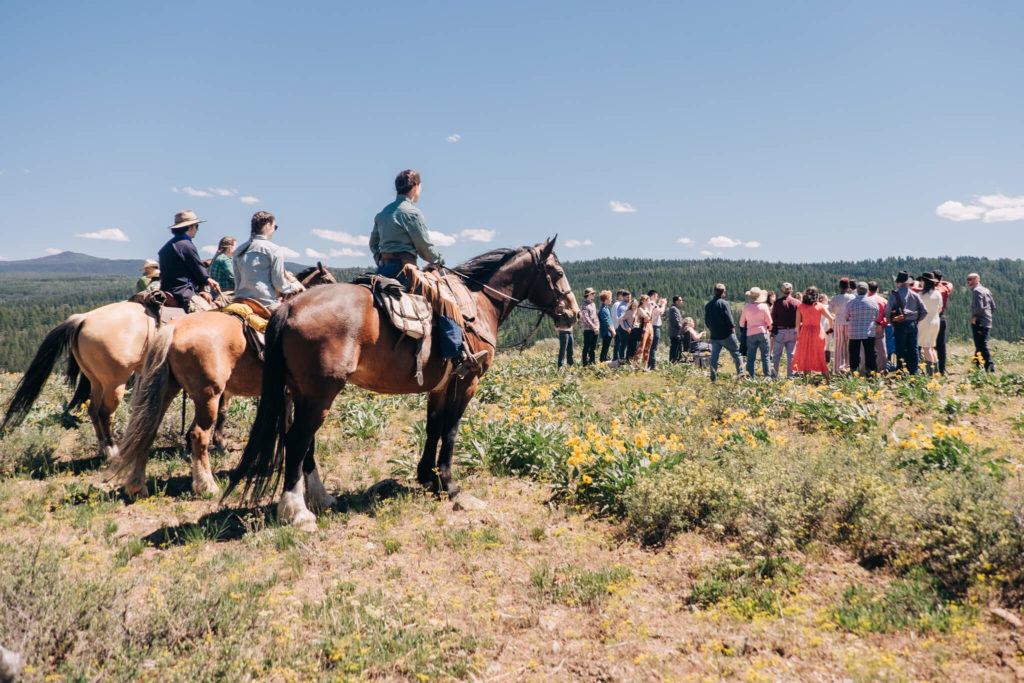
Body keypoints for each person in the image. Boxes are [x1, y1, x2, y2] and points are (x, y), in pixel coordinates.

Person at [370, 169, 488, 378]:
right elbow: (424, 247)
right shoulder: (412, 213)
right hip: (405, 271)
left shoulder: (382, 214)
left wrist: (381, 257)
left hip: (382, 270)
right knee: (446, 301)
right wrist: (438, 261)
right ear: (415, 186)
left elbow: (373, 244)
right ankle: (457, 355)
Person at [233, 211, 305, 310]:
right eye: (275, 227)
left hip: (240, 301)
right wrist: (294, 287)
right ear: (268, 225)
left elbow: (237, 282)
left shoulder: (239, 250)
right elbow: (279, 284)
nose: (274, 230)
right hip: (265, 302)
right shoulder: (274, 249)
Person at [158, 210, 220, 311]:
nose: (197, 230)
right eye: (197, 226)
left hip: (166, 289)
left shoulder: (167, 246)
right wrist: (207, 279)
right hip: (182, 291)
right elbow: (197, 267)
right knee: (208, 313)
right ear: (190, 227)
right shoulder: (186, 244)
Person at [887, 271, 927, 375]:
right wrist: (916, 319)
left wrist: (891, 322)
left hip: (900, 324)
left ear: (898, 282)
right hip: (912, 324)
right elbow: (924, 311)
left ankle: (901, 372)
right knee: (913, 348)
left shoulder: (894, 295)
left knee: (900, 348)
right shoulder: (915, 294)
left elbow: (887, 311)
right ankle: (913, 371)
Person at [792, 286, 832, 381]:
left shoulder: (801, 307)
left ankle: (806, 380)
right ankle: (828, 380)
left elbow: (797, 325)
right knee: (820, 356)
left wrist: (798, 335)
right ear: (817, 295)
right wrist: (830, 330)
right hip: (818, 333)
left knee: (806, 356)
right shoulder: (819, 306)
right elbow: (831, 318)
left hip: (805, 333)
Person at [704, 283, 744, 380]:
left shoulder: (708, 305)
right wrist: (732, 330)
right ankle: (741, 374)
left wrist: (712, 330)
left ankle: (713, 376)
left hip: (715, 336)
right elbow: (729, 319)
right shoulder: (724, 303)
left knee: (714, 357)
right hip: (726, 334)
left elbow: (706, 321)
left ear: (714, 292)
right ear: (723, 293)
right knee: (737, 353)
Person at [844, 282, 879, 376]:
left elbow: (846, 317)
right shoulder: (873, 302)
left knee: (854, 355)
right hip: (869, 331)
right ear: (867, 291)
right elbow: (876, 315)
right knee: (870, 354)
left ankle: (853, 374)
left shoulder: (851, 303)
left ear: (857, 291)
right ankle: (870, 374)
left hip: (854, 331)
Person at [739, 287, 772, 378]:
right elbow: (770, 322)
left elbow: (741, 323)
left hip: (750, 334)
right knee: (765, 356)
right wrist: (769, 330)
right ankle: (767, 377)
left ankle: (750, 377)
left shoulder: (746, 307)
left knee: (751, 357)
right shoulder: (764, 307)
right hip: (763, 332)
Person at [915, 274, 943, 376]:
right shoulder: (937, 294)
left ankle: (930, 372)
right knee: (931, 346)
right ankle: (936, 370)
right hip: (935, 321)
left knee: (926, 348)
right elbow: (940, 309)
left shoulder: (920, 295)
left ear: (924, 282)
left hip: (924, 322)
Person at [770, 282, 800, 378]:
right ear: (791, 291)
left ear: (782, 291)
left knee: (776, 355)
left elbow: (773, 318)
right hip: (793, 331)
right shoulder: (797, 303)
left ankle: (774, 374)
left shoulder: (777, 303)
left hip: (780, 331)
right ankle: (790, 376)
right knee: (791, 355)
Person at [968, 272, 995, 372]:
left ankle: (989, 365)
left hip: (980, 322)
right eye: (967, 279)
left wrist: (975, 317)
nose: (968, 281)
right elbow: (993, 306)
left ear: (976, 280)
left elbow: (979, 307)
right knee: (980, 344)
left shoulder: (976, 291)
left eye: (970, 279)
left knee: (981, 344)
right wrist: (988, 315)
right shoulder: (986, 290)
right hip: (987, 321)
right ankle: (978, 364)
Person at [828, 278, 856, 373]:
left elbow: (830, 310)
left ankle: (838, 368)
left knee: (839, 345)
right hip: (849, 323)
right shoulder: (852, 297)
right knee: (849, 345)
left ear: (839, 287)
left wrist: (836, 314)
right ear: (848, 287)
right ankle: (848, 366)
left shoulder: (835, 298)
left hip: (839, 322)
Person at [932, 269, 954, 375]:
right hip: (941, 317)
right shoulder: (945, 288)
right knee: (941, 345)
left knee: (930, 345)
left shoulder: (933, 290)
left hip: (932, 317)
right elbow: (949, 284)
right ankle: (942, 369)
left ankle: (932, 367)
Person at [868, 281, 889, 374]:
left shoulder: (866, 300)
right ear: (877, 289)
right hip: (879, 325)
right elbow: (887, 315)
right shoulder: (883, 301)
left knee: (867, 349)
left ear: (868, 289)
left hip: (868, 326)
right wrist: (883, 323)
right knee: (881, 349)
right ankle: (883, 369)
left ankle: (868, 369)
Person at [629, 295, 652, 366]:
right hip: (644, 327)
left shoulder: (646, 308)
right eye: (647, 301)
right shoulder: (640, 308)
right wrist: (651, 310)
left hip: (649, 327)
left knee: (648, 348)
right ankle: (634, 364)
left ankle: (645, 365)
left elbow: (649, 318)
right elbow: (647, 317)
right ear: (643, 301)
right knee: (641, 347)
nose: (648, 302)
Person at [579, 287, 599, 366]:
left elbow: (595, 316)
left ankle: (592, 362)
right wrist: (594, 327)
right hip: (588, 329)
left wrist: (597, 326)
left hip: (595, 329)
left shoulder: (593, 304)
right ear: (588, 295)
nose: (594, 295)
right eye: (592, 294)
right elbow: (586, 318)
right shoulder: (584, 305)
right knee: (587, 347)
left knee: (593, 347)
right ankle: (585, 364)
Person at [646, 290, 664, 370]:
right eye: (656, 296)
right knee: (653, 347)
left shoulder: (649, 304)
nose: (657, 297)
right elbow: (660, 312)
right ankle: (652, 365)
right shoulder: (652, 303)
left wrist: (659, 304)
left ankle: (649, 364)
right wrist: (663, 304)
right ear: (652, 296)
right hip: (654, 326)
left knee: (650, 346)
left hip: (650, 326)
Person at [612, 290, 630, 361]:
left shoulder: (620, 304)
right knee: (621, 344)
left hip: (618, 326)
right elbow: (618, 317)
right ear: (620, 296)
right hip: (620, 326)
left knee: (619, 344)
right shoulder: (618, 305)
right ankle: (617, 358)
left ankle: (616, 358)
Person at [598, 290, 616, 362]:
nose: (611, 300)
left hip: (608, 332)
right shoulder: (603, 310)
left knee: (606, 347)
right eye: (610, 298)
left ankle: (604, 359)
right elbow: (607, 322)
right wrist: (613, 331)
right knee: (605, 347)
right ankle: (602, 360)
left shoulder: (606, 308)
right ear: (606, 299)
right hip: (606, 332)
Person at [667, 295, 684, 362]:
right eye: (680, 300)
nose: (681, 302)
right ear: (676, 301)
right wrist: (681, 328)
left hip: (676, 331)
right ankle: (673, 360)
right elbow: (676, 320)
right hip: (675, 332)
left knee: (677, 346)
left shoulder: (675, 308)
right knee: (675, 347)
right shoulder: (674, 309)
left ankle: (676, 359)